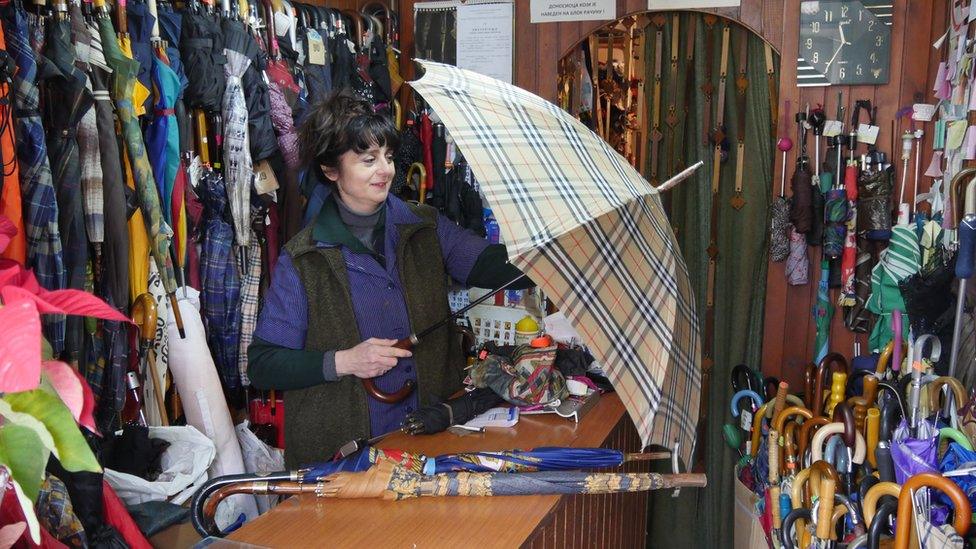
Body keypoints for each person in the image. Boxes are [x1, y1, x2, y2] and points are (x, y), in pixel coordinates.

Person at [248, 91, 531, 468]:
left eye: (389, 156)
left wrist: (549, 257)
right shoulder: (305, 259)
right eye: (368, 160)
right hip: (347, 461)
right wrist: (345, 361)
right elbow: (264, 364)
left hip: (434, 444)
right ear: (331, 170)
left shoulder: (424, 227)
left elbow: (490, 266)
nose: (386, 170)